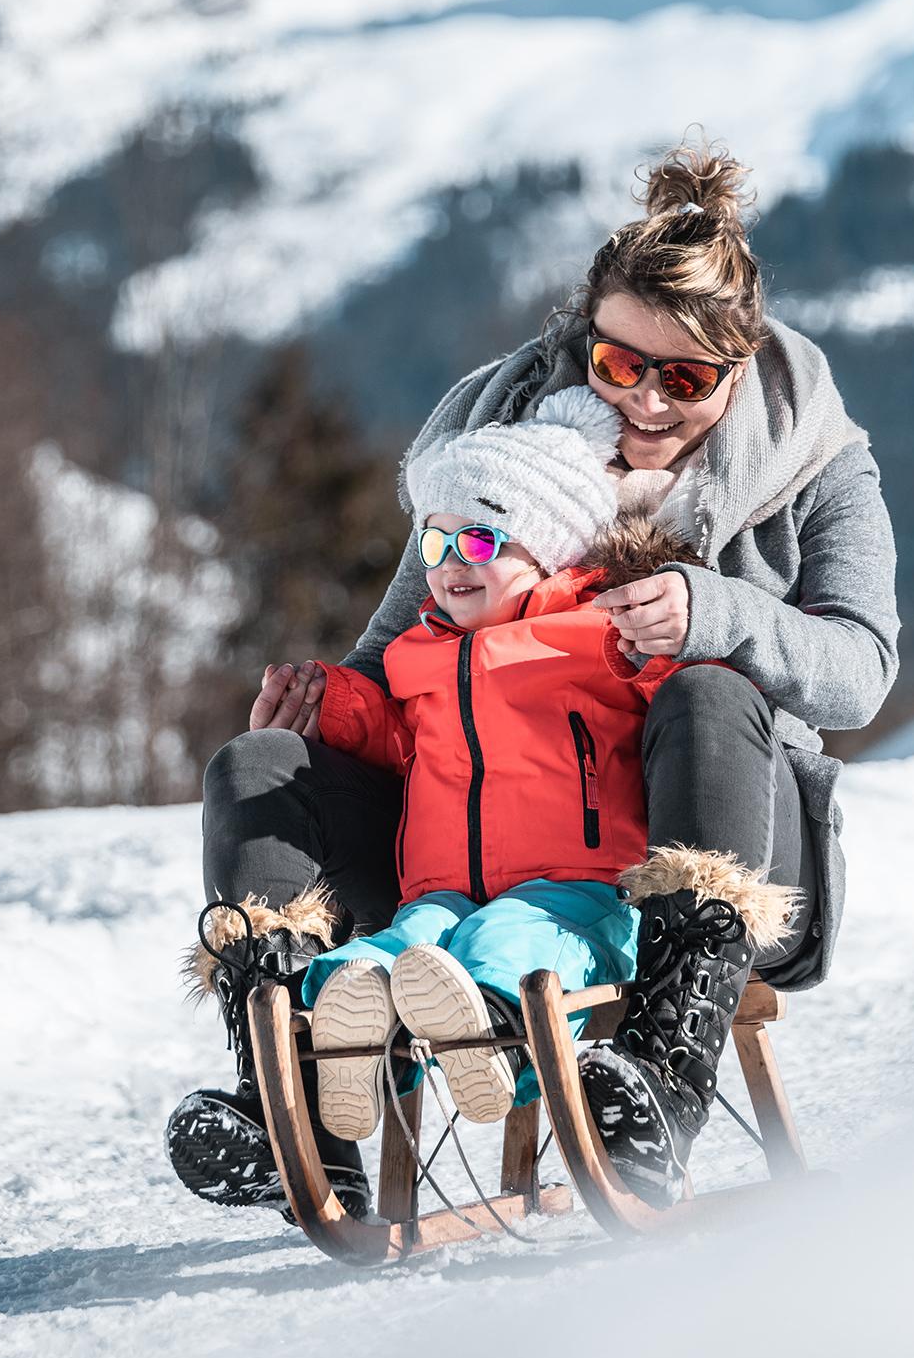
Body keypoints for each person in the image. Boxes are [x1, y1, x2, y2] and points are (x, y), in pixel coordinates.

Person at [168, 137, 900, 1215]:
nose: (648, 403)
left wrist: (717, 611)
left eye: (687, 380)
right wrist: (330, 704)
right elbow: (403, 649)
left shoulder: (818, 458)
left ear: (739, 373)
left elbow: (863, 673)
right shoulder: (498, 445)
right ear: (583, 339)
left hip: (707, 830)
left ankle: (659, 1072)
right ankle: (292, 1109)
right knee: (263, 764)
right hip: (477, 835)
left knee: (709, 687)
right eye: (620, 365)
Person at [290, 387, 796, 1158]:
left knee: (513, 936)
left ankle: (498, 1043)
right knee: (405, 942)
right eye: (434, 544)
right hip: (446, 893)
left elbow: (689, 714)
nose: (450, 564)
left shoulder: (602, 635)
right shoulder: (416, 657)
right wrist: (337, 711)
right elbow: (400, 748)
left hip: (578, 892)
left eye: (482, 542)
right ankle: (351, 1038)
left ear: (551, 546)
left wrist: (682, 641)